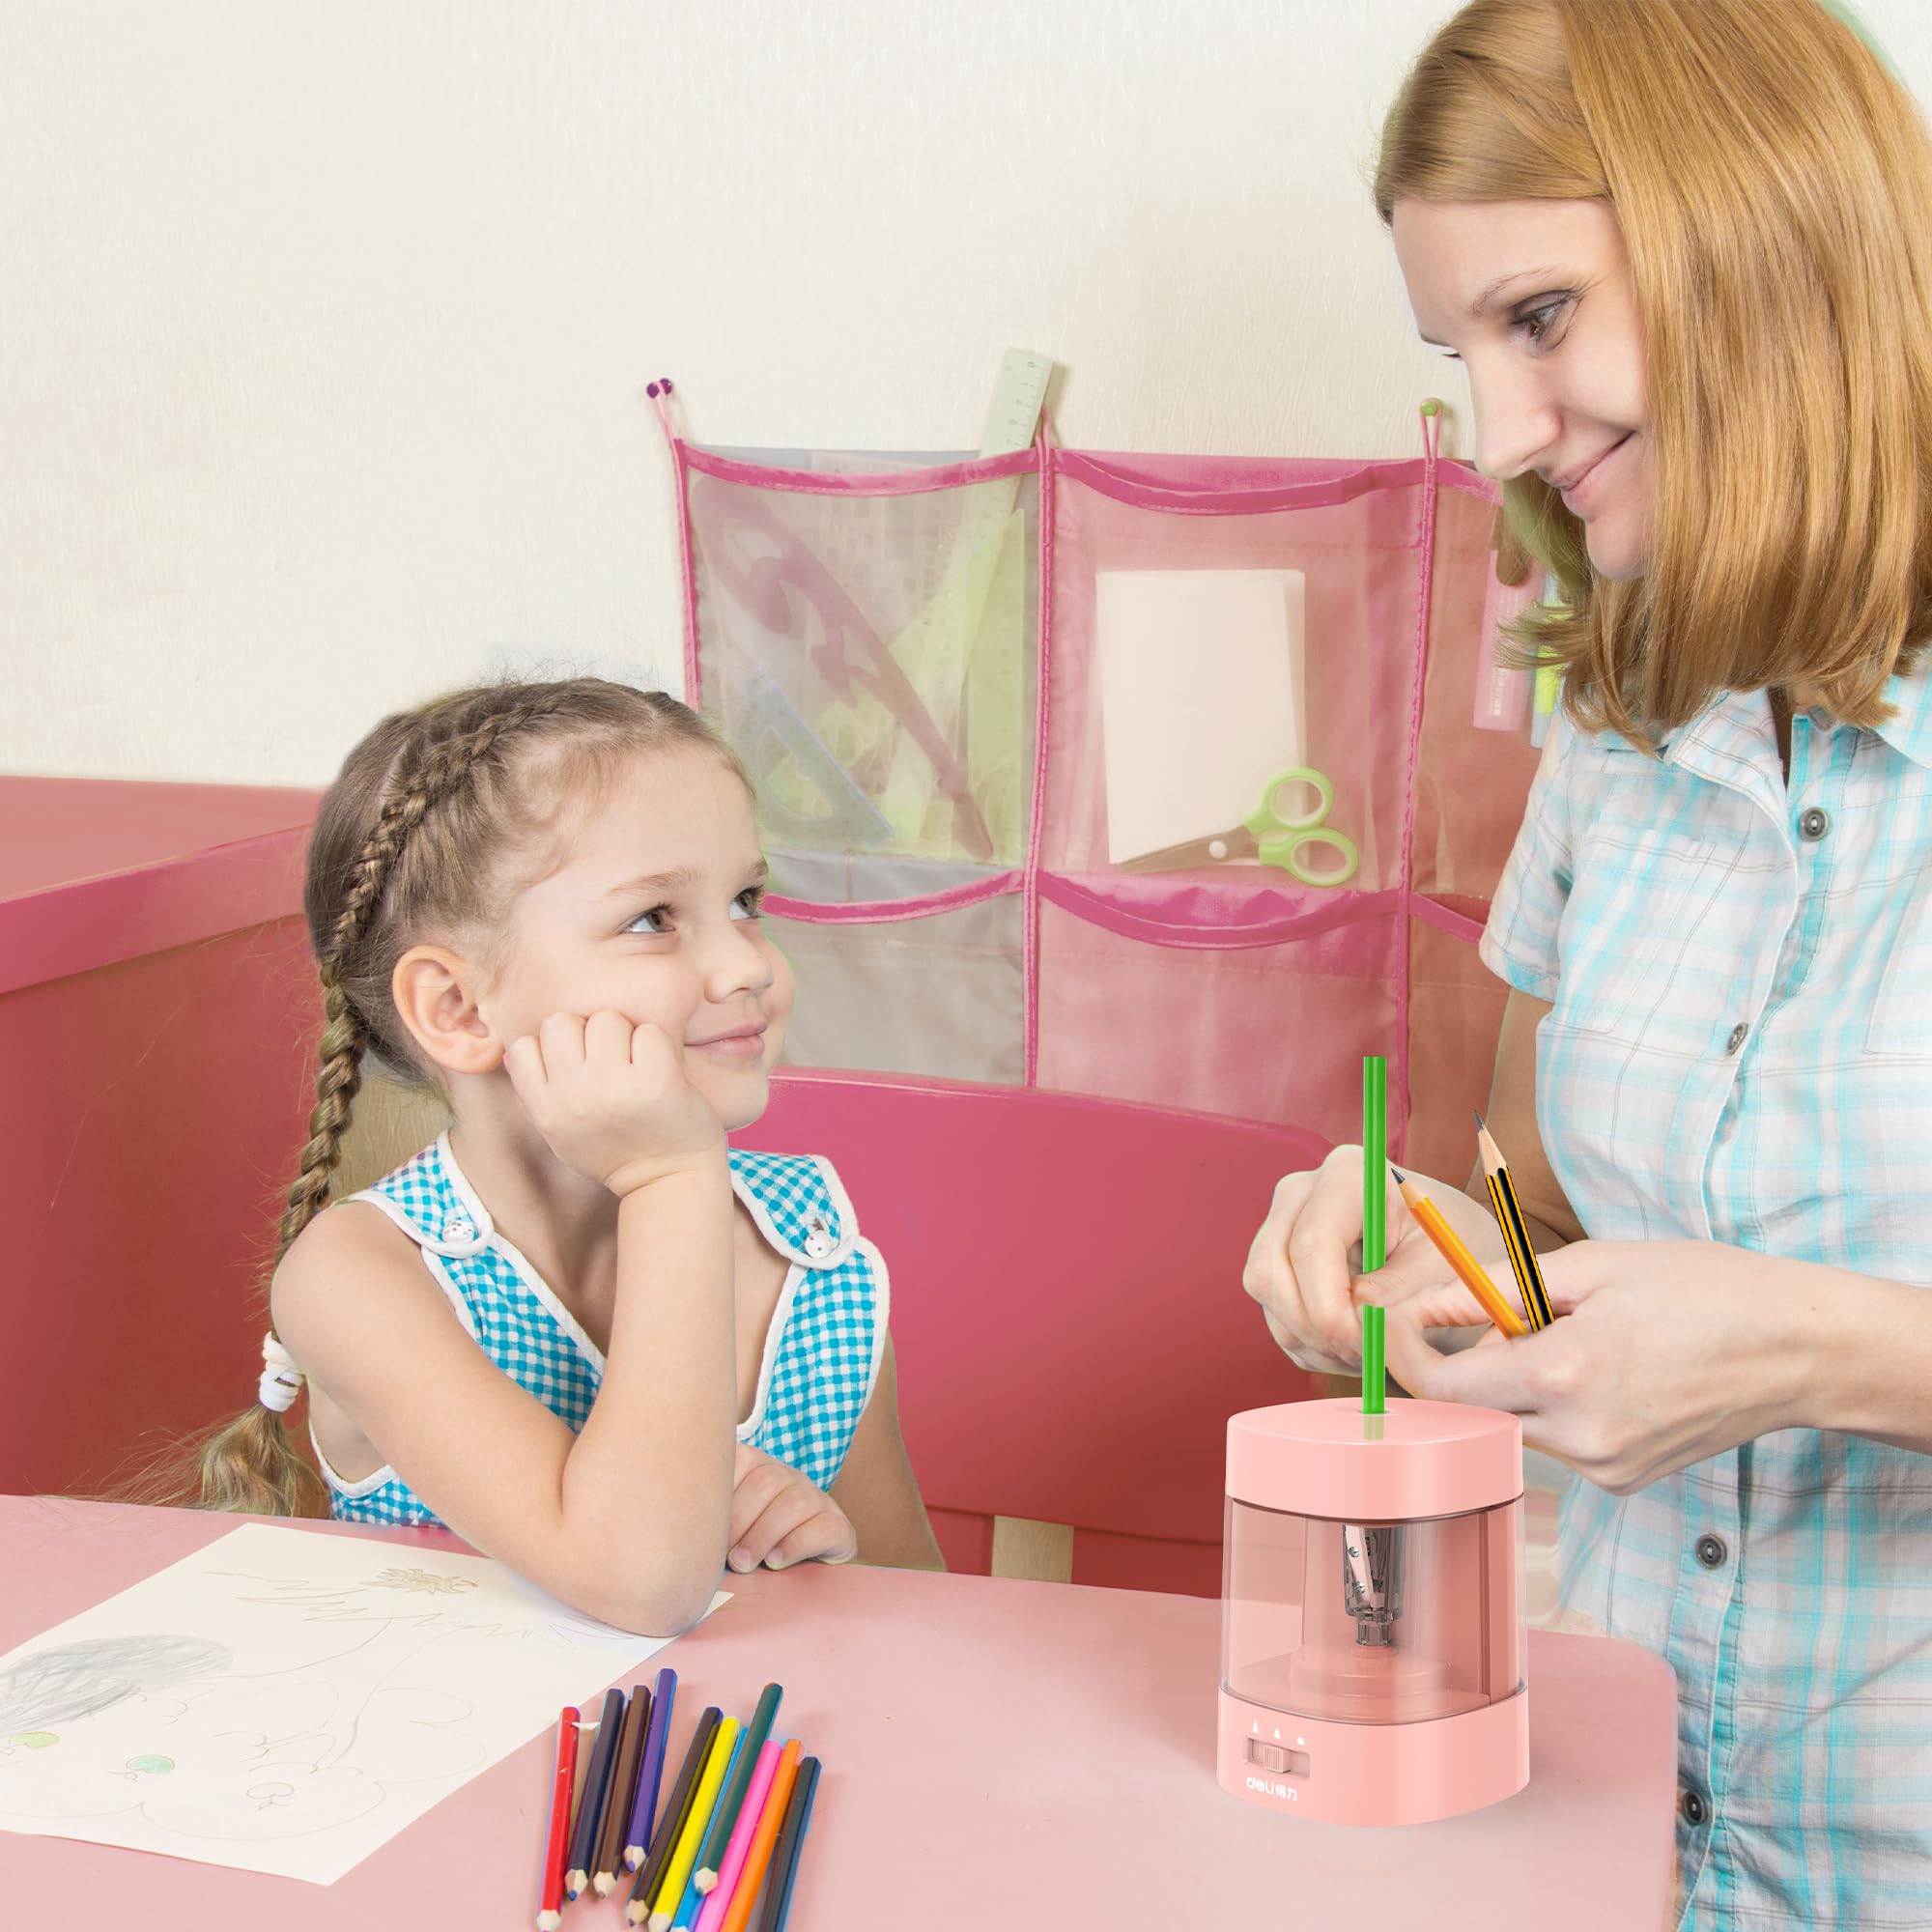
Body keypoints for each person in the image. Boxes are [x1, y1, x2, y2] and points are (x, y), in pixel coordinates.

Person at [1243, 3, 1932, 1923]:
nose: (1502, 434)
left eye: (1537, 316)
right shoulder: (1619, 736)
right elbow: (1536, 1202)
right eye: (1460, 351)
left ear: (1768, 239)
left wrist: (1831, 1351)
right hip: (1613, 1835)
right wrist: (1413, 1240)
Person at [197, 678, 942, 1634]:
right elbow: (636, 1577)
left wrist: (829, 1552)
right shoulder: (358, 1279)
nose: (749, 963)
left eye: (745, 898)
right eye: (653, 918)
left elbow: (923, 1609)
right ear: (461, 1010)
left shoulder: (812, 1261)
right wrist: (669, 1175)